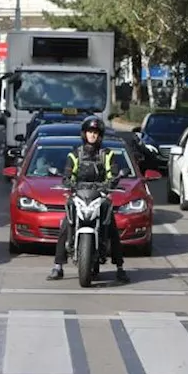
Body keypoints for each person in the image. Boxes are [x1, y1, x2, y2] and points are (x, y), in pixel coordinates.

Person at [47, 116, 129, 283]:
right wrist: (68, 183)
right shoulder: (75, 154)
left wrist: (111, 183)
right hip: (79, 194)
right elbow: (67, 175)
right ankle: (58, 266)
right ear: (84, 134)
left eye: (96, 132)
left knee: (112, 226)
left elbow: (113, 175)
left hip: (100, 195)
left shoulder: (107, 155)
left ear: (100, 136)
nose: (93, 135)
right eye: (90, 132)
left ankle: (120, 268)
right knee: (65, 225)